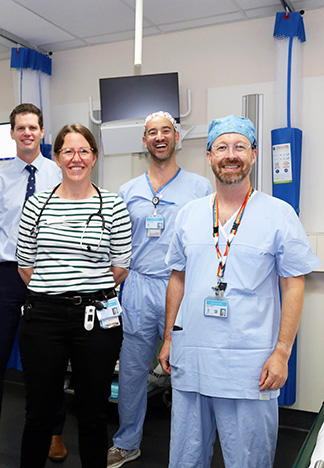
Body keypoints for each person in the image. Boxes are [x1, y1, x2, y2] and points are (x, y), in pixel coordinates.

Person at [158, 115, 321, 468]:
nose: (230, 155)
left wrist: (282, 352)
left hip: (249, 363)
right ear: (208, 155)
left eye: (239, 147)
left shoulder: (279, 214)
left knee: (249, 458)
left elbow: (293, 284)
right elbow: (178, 278)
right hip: (193, 356)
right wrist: (169, 338)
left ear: (254, 155)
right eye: (222, 147)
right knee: (186, 456)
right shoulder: (189, 214)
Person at [17, 123, 132, 468]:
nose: (76, 158)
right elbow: (25, 266)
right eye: (68, 151)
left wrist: (84, 290)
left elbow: (120, 267)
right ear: (56, 157)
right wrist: (58, 289)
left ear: (94, 157)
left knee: (93, 411)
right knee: (38, 410)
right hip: (43, 318)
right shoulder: (37, 205)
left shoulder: (112, 205)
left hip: (96, 320)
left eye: (83, 151)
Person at [107, 111, 213, 468]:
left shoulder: (199, 188)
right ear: (145, 141)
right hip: (137, 287)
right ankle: (127, 442)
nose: (159, 137)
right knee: (133, 372)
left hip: (179, 286)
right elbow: (118, 244)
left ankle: (187, 451)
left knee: (183, 369)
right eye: (152, 132)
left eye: (166, 130)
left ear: (177, 136)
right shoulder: (128, 190)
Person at [0, 103, 64, 468]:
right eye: (20, 128)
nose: (27, 133)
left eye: (33, 127)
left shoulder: (59, 174)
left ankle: (53, 431)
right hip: (7, 273)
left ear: (42, 132)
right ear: (12, 134)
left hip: (48, 275)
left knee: (49, 359)